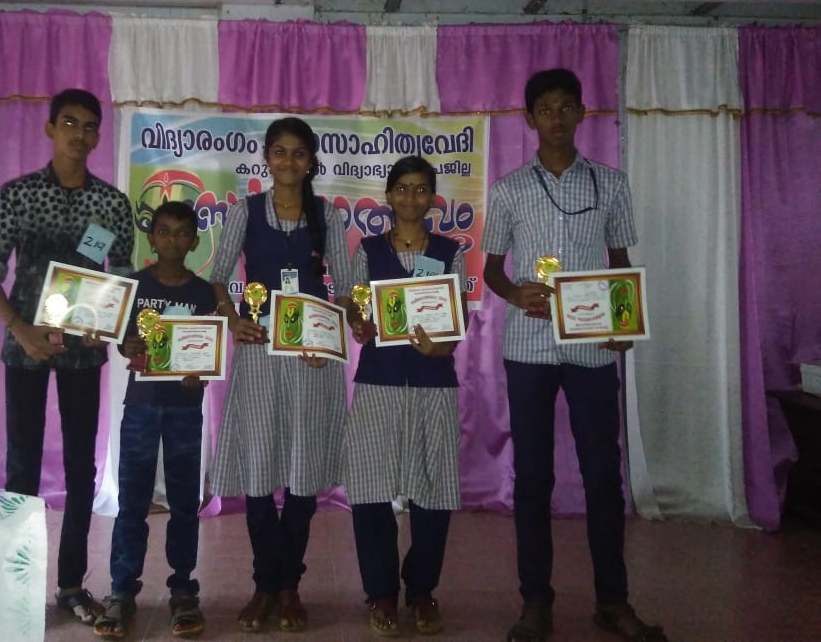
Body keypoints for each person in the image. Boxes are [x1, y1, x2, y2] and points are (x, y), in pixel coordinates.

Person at [481, 69, 666, 642]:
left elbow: (619, 261)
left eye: (566, 107)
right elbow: (492, 269)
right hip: (528, 348)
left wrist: (623, 322)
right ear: (530, 118)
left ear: (583, 113)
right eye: (545, 108)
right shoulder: (509, 189)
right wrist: (515, 294)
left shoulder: (611, 184)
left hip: (591, 349)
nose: (556, 118)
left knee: (603, 475)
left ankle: (613, 602)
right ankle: (535, 604)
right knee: (533, 479)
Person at [0, 88, 134, 626]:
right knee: (21, 466)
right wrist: (19, 329)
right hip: (26, 346)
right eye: (69, 123)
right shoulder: (19, 194)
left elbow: (121, 279)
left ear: (97, 136)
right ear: (50, 129)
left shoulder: (110, 204)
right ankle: (15, 586)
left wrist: (103, 329)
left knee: (81, 469)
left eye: (89, 126)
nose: (79, 134)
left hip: (82, 356)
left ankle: (70, 585)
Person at [208, 116, 354, 633]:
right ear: (267, 158)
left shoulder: (326, 214)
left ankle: (288, 584)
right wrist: (233, 319)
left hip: (312, 359)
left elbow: (348, 287)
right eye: (280, 152)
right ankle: (264, 584)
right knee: (257, 471)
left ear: (311, 161)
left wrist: (331, 336)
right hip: (259, 355)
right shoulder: (244, 212)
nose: (289, 161)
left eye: (299, 153)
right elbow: (218, 277)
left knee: (302, 473)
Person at [344, 155, 468, 637]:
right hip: (379, 382)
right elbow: (356, 308)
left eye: (420, 189)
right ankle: (380, 592)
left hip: (433, 383)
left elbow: (457, 317)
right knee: (371, 491)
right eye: (402, 188)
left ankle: (421, 590)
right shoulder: (369, 250)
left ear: (432, 197)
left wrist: (443, 346)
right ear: (389, 196)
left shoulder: (450, 251)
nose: (411, 197)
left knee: (433, 491)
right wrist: (359, 323)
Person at [94, 201, 215, 639]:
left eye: (182, 233)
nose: (172, 240)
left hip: (185, 407)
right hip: (141, 405)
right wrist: (127, 346)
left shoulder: (205, 293)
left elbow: (208, 348)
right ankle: (121, 591)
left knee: (184, 502)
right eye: (164, 231)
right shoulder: (134, 286)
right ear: (151, 238)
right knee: (132, 500)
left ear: (194, 242)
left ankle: (183, 589)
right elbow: (123, 340)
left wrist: (200, 371)